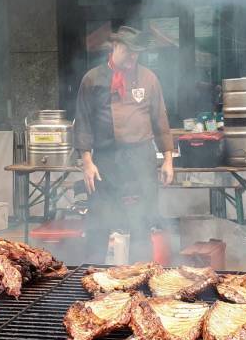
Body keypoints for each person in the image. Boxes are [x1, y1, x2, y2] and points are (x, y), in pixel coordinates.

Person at [74, 26, 175, 263]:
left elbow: (160, 119)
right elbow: (83, 122)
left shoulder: (148, 78)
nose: (133, 58)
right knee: (99, 223)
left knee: (141, 222)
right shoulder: (92, 79)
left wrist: (168, 159)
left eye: (137, 53)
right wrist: (87, 162)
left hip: (140, 159)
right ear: (115, 47)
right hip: (105, 161)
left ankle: (140, 277)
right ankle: (93, 275)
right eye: (129, 52)